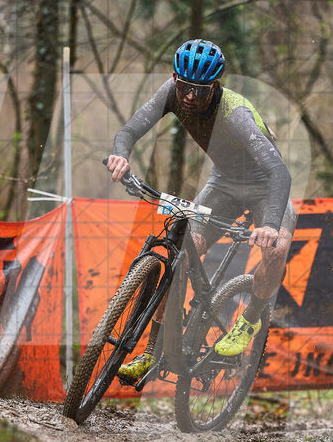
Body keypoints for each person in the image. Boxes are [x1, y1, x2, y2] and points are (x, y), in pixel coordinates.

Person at [104, 38, 296, 382]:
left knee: (277, 246)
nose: (190, 96)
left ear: (216, 87)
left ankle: (250, 319)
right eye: (184, 86)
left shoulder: (234, 113)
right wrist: (121, 153)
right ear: (175, 79)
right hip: (223, 185)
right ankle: (153, 351)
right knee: (181, 258)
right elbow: (131, 129)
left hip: (266, 187)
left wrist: (269, 224)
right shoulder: (170, 92)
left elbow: (279, 172)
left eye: (200, 90)